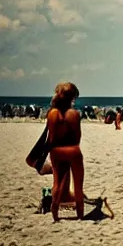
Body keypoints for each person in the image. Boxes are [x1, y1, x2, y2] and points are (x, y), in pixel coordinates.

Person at [47, 82, 84, 221]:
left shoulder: (52, 114)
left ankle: (55, 213)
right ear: (72, 98)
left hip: (56, 150)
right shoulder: (74, 114)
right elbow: (77, 137)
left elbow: (51, 137)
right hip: (72, 150)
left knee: (57, 182)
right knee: (78, 184)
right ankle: (80, 215)